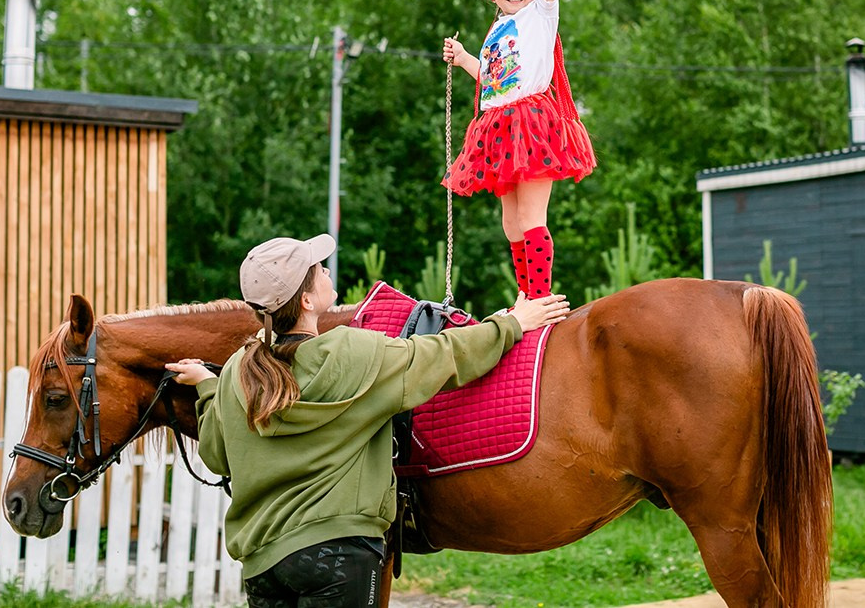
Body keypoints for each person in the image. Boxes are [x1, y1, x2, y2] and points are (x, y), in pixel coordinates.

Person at [166, 233, 570, 608]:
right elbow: (444, 356)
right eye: (318, 270)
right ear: (306, 301)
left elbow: (217, 456)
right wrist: (513, 323)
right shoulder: (350, 353)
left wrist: (208, 388)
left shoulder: (239, 370)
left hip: (263, 566)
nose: (326, 271)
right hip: (339, 555)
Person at [441, 0, 596, 299]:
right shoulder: (497, 29)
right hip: (498, 125)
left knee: (531, 216)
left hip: (530, 122)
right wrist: (465, 59)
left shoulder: (540, 15)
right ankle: (526, 296)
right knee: (510, 223)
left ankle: (541, 298)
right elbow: (493, 80)